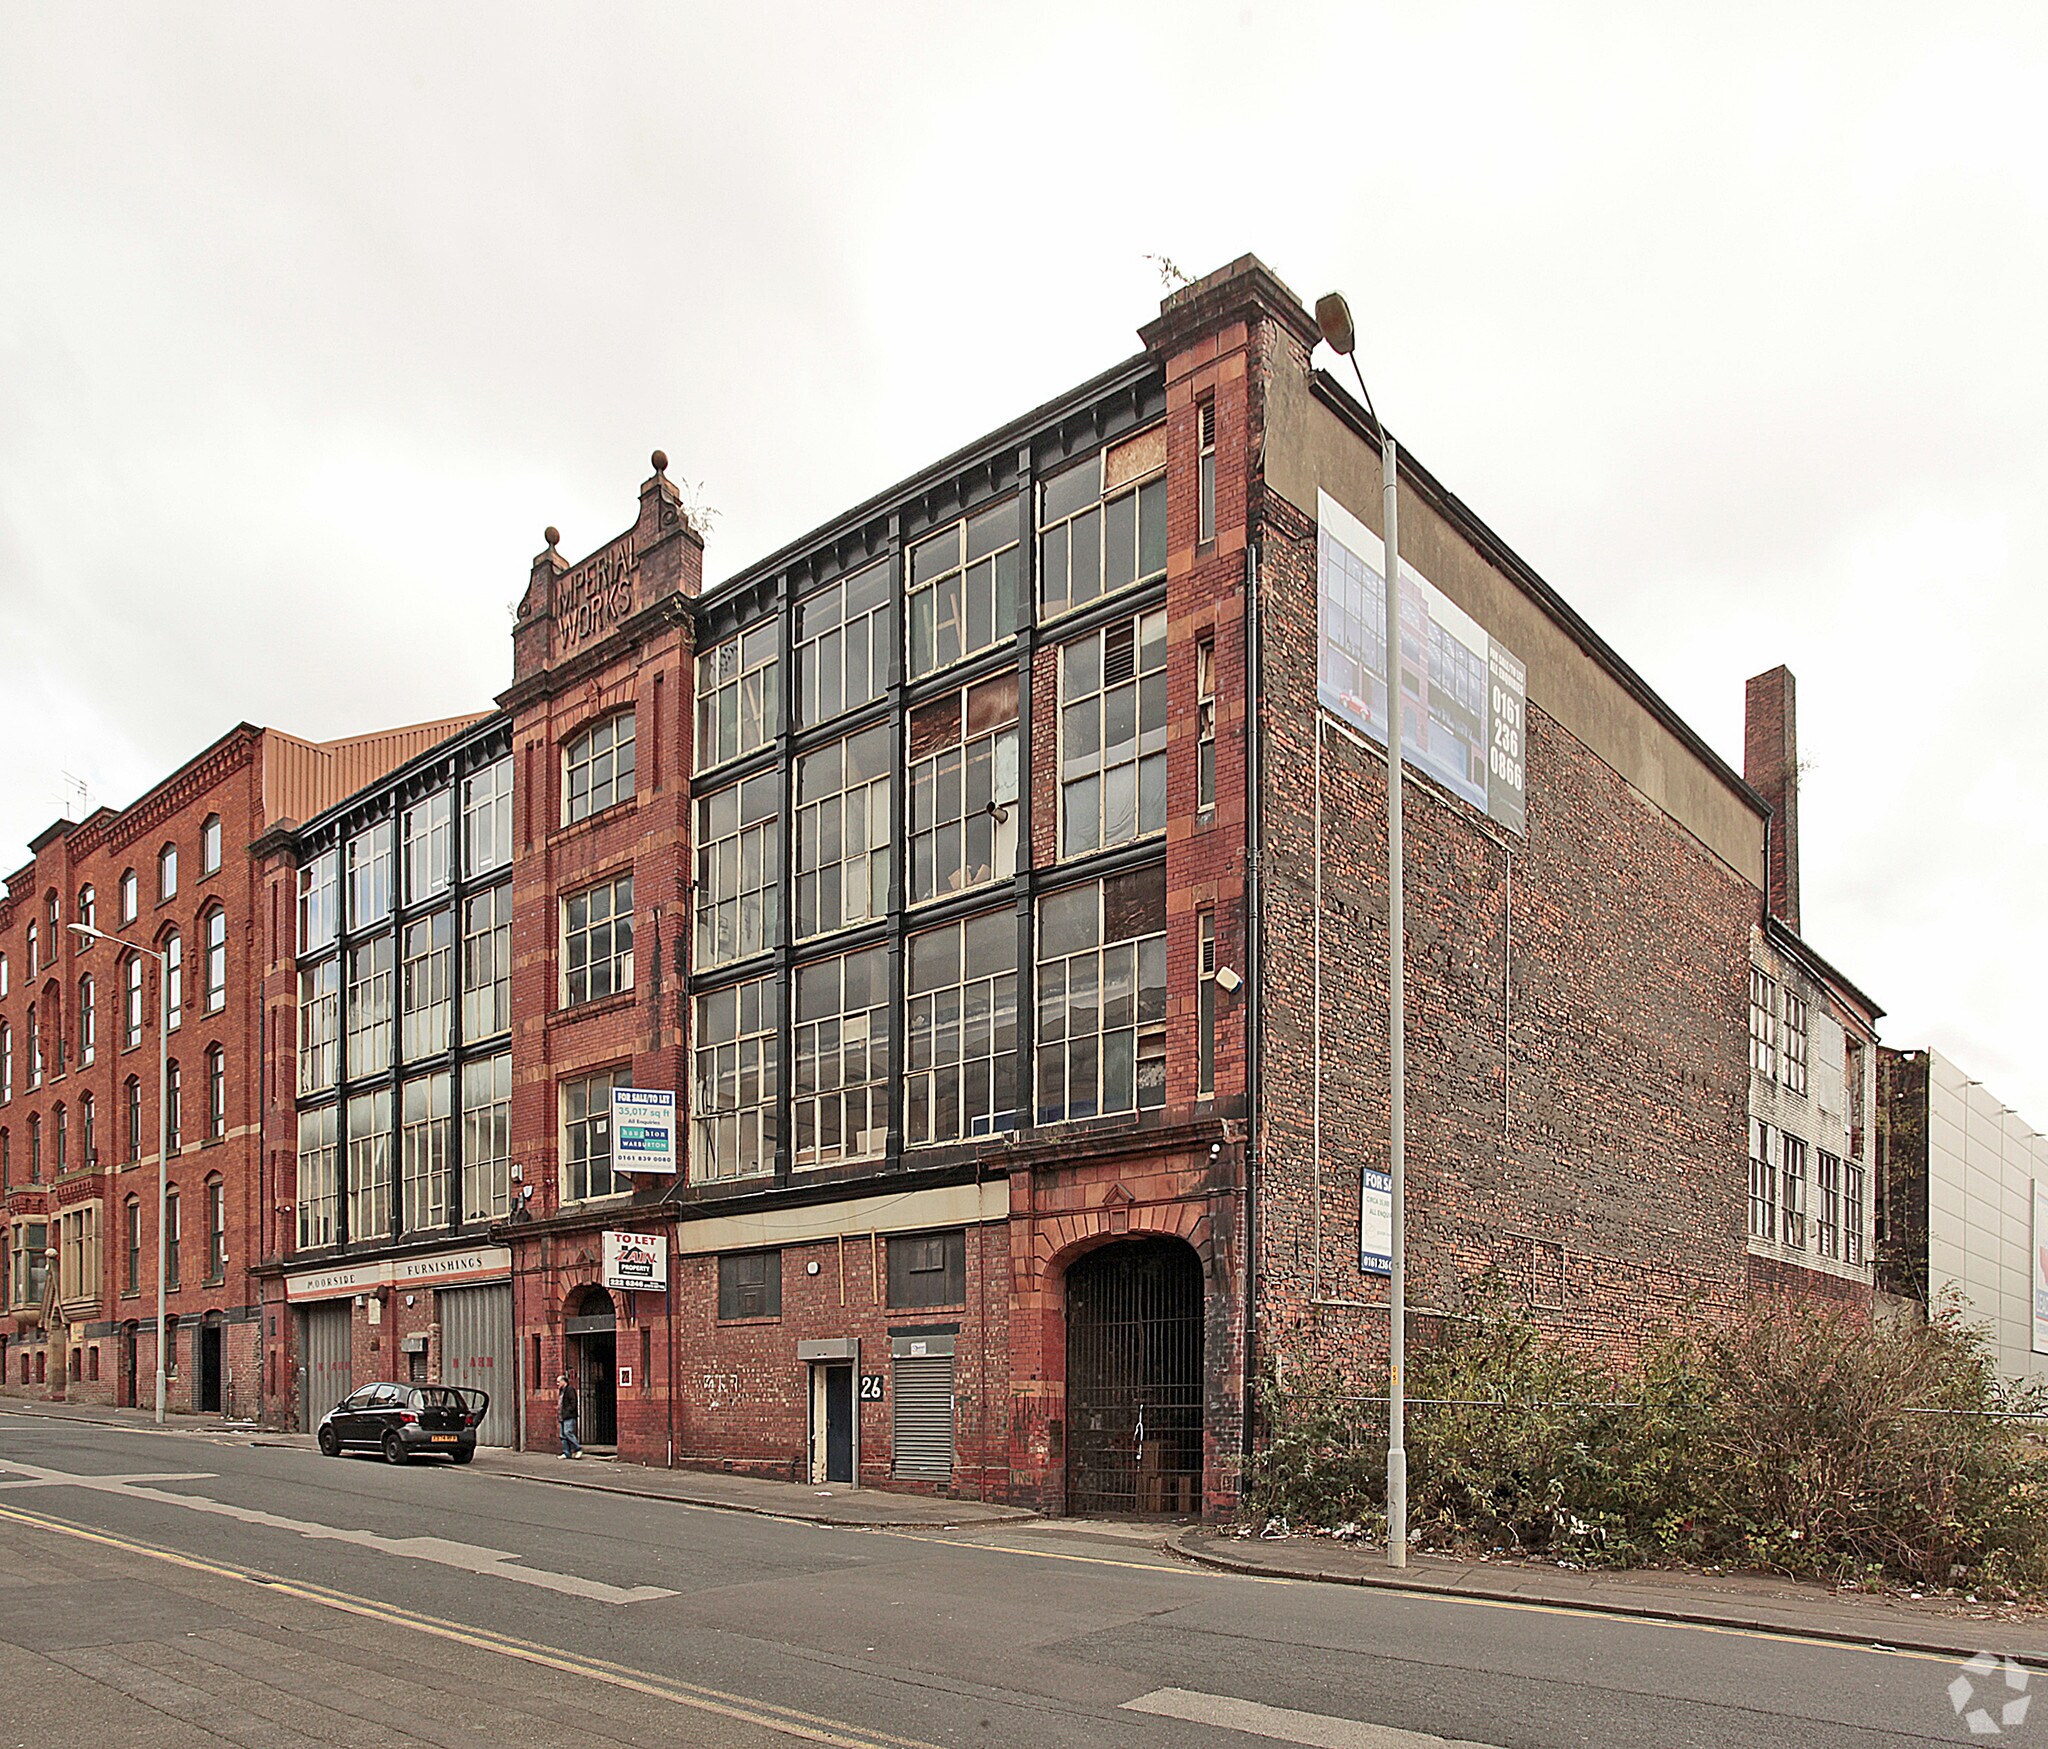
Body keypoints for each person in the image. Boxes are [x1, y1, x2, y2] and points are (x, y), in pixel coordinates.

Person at [557, 1372, 582, 1459]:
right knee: (563, 1435)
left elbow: (573, 1403)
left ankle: (578, 1449)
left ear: (564, 1381)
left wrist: (567, 1411)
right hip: (562, 1416)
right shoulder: (561, 1391)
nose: (557, 1384)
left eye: (558, 1382)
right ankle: (566, 1452)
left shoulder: (570, 1390)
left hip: (568, 1416)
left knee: (568, 1433)